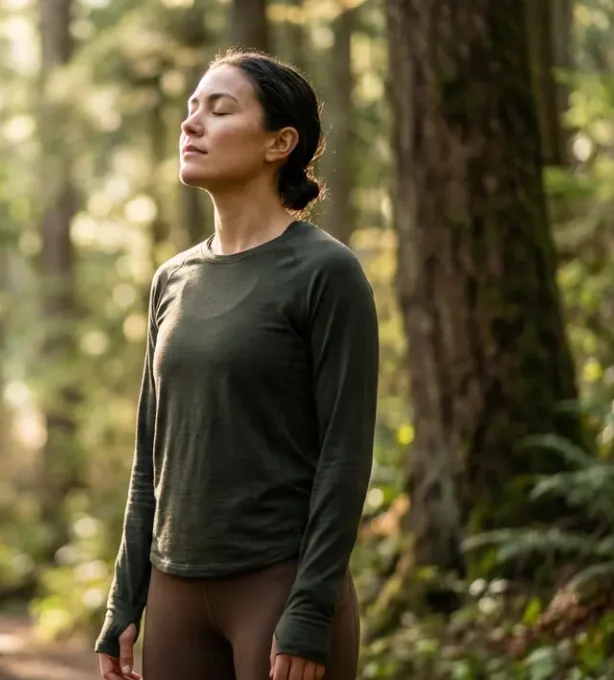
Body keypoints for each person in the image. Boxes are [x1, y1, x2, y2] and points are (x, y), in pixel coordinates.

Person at [93, 48, 379, 680]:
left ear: (281, 142)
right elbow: (152, 456)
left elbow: (345, 455)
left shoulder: (326, 273)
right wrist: (125, 599)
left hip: (278, 590)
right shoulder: (173, 279)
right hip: (175, 597)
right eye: (191, 109)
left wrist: (310, 609)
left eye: (219, 110)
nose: (191, 124)